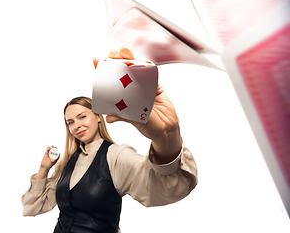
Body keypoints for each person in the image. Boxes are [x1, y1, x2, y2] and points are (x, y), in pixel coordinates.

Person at [21, 48, 198, 233]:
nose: (76, 126)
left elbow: (164, 186)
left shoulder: (115, 156)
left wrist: (166, 138)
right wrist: (44, 168)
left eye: (82, 117)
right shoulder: (69, 162)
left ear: (98, 116)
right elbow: (33, 207)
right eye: (70, 122)